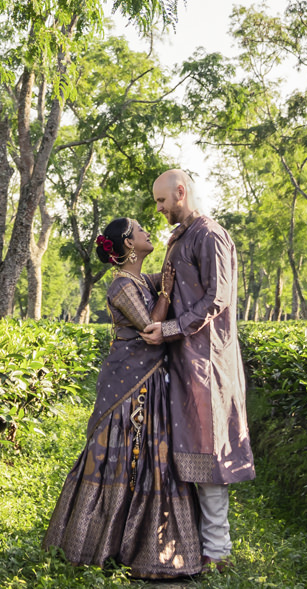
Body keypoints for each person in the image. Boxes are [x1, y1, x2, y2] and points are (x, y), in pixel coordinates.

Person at [43, 216, 204, 579]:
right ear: (129, 244)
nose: (148, 231)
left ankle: (143, 544)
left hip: (150, 381)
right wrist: (165, 292)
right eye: (140, 229)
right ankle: (102, 544)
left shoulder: (137, 280)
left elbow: (169, 278)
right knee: (121, 453)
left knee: (151, 456)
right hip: (128, 385)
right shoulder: (120, 286)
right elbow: (151, 327)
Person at [142, 169, 253, 573]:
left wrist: (171, 328)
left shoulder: (210, 235)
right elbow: (169, 286)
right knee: (187, 455)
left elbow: (217, 299)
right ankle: (194, 548)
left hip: (208, 364)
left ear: (181, 193)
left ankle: (218, 553)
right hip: (183, 362)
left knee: (209, 459)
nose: (159, 209)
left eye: (160, 201)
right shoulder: (180, 238)